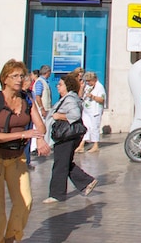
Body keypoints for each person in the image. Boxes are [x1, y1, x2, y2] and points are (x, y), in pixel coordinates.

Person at [0, 60, 49, 243]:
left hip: (15, 157)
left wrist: (39, 139)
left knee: (26, 201)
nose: (19, 79)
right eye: (14, 76)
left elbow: (41, 126)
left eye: (21, 75)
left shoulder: (27, 99)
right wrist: (24, 134)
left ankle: (11, 237)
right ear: (4, 79)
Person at [44, 71, 97, 204]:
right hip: (66, 136)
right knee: (64, 162)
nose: (58, 86)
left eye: (60, 84)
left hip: (66, 136)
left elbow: (75, 115)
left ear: (67, 86)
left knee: (60, 164)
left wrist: (58, 116)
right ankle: (86, 181)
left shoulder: (70, 99)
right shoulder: (68, 98)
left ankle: (57, 194)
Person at [75, 71, 105, 154]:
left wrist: (93, 97)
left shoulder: (100, 87)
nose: (88, 82)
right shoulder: (87, 86)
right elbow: (80, 96)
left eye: (89, 81)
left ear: (94, 79)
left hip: (95, 110)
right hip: (87, 111)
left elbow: (102, 99)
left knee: (94, 127)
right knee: (85, 127)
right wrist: (81, 87)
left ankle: (95, 145)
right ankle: (81, 145)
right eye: (87, 81)